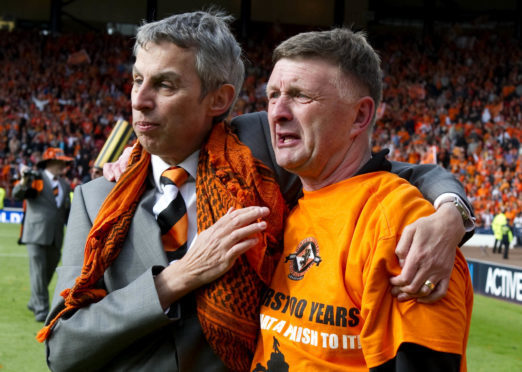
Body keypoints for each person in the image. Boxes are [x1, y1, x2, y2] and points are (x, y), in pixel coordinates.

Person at [43, 10, 472, 372]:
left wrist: (450, 214)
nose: (138, 100)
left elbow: (397, 172)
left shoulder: (262, 149)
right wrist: (175, 280)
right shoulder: (100, 197)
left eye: (165, 85)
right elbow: (61, 348)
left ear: (219, 99)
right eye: (137, 80)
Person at [251, 28, 473, 371]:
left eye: (300, 96)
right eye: (272, 95)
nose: (277, 113)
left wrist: (452, 211)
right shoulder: (280, 196)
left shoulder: (404, 228)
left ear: (360, 116)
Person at [12, 147, 72, 322]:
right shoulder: (34, 178)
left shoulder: (65, 184)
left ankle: (34, 300)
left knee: (47, 272)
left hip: (56, 235)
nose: (64, 165)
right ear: (51, 162)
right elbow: (17, 194)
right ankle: (41, 309)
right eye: (62, 161)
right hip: (35, 233)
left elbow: (65, 210)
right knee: (38, 272)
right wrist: (24, 180)